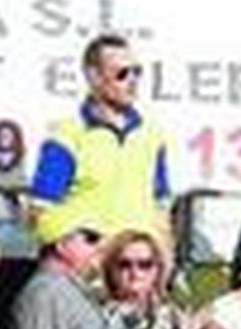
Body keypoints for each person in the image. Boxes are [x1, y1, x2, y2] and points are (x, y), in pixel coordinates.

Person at [27, 34, 170, 251]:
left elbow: (161, 206)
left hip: (136, 262)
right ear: (94, 77)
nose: (132, 80)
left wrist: (162, 254)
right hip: (83, 264)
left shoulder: (152, 135)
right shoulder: (66, 135)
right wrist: (84, 250)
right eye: (122, 73)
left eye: (137, 72)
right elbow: (41, 211)